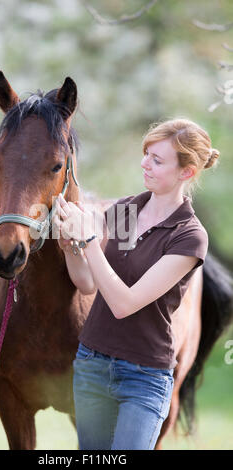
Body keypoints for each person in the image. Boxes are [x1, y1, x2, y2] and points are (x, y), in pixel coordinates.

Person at [53, 118, 220, 450]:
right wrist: (69, 244)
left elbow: (124, 303)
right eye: (146, 154)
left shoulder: (189, 236)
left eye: (157, 160)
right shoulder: (127, 210)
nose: (145, 163)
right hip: (92, 365)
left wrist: (87, 240)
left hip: (144, 378)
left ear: (186, 172)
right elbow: (87, 283)